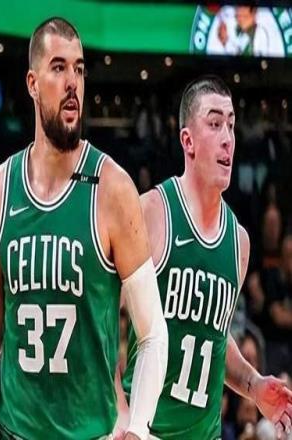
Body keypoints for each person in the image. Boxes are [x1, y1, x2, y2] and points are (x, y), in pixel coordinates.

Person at [0, 17, 168, 440]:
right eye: (58, 67)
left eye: (79, 69)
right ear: (32, 84)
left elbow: (152, 332)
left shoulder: (112, 188)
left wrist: (139, 427)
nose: (73, 82)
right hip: (11, 431)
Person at [122, 75, 292, 439]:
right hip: (146, 431)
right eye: (214, 124)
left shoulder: (239, 243)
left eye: (230, 124)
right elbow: (104, 323)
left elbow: (213, 338)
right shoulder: (152, 212)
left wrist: (253, 384)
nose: (227, 137)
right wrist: (120, 414)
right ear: (188, 141)